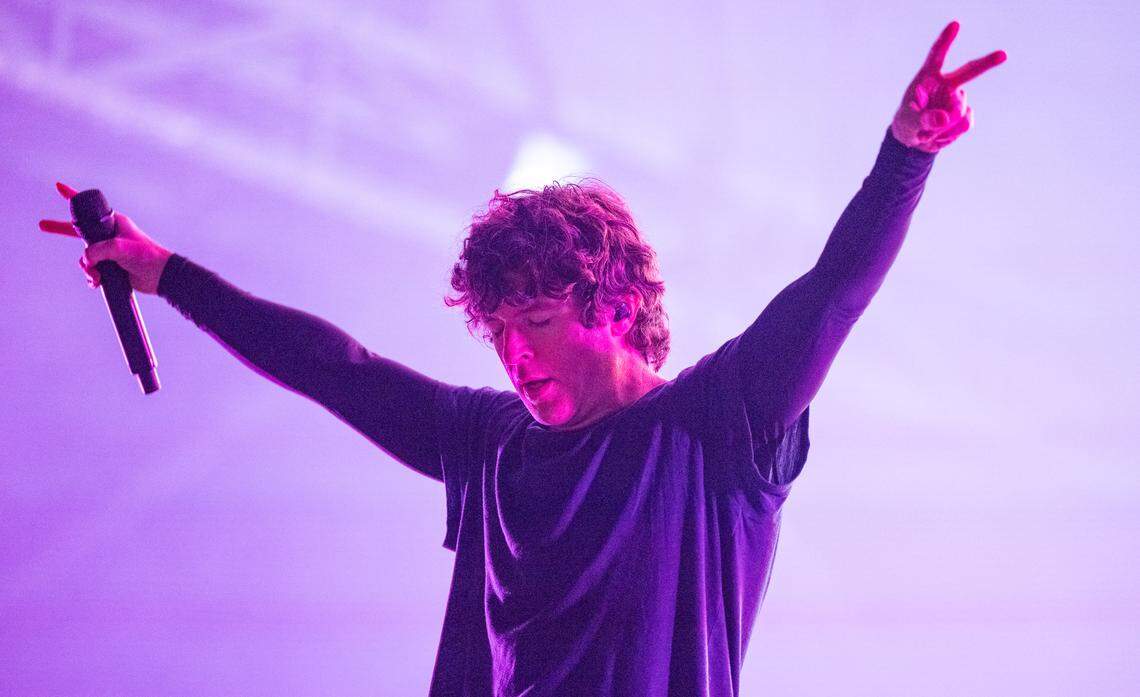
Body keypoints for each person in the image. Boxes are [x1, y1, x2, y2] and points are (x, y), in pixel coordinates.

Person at [40, 21, 1004, 697]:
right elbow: (337, 365)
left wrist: (906, 156)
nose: (511, 352)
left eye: (534, 320)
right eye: (495, 329)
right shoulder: (488, 441)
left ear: (613, 303)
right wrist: (165, 271)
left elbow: (829, 294)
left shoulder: (719, 423)